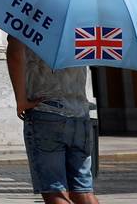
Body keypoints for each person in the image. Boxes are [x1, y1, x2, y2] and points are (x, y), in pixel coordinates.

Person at [7, 39, 98, 204]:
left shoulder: (26, 16)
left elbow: (15, 54)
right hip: (80, 113)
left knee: (55, 192)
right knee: (83, 191)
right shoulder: (81, 20)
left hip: (47, 111)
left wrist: (21, 100)